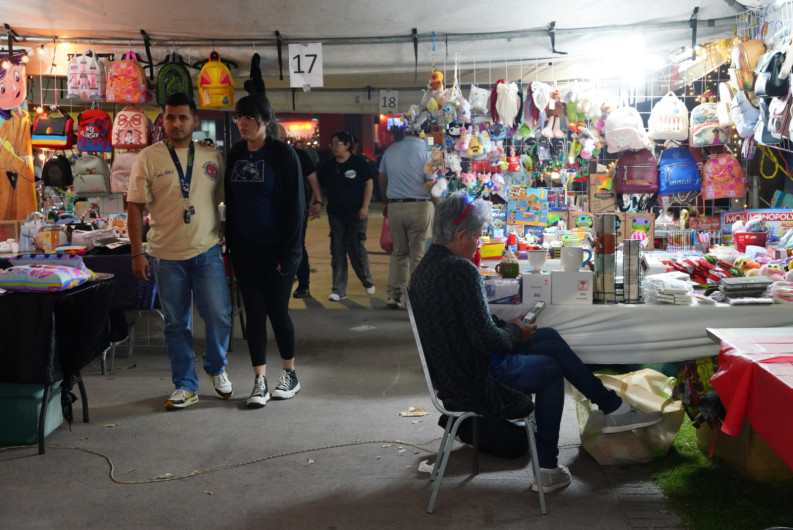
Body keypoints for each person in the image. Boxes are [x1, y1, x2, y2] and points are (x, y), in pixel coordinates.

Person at [408, 191, 663, 493]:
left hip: (456, 371)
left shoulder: (426, 268)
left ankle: (612, 409)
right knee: (550, 369)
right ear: (461, 234)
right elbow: (486, 340)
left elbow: (473, 326)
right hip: (476, 378)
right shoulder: (461, 271)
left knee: (549, 338)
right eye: (477, 237)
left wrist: (512, 327)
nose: (479, 242)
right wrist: (515, 333)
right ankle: (547, 468)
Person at [127, 92, 232, 410]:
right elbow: (134, 208)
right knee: (176, 323)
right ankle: (185, 385)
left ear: (195, 120)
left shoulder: (211, 157)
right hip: (165, 255)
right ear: (163, 120)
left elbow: (225, 202)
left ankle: (216, 367)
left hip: (208, 251)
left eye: (183, 117)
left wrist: (228, 234)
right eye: (170, 117)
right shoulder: (148, 157)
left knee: (219, 315)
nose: (176, 123)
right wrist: (136, 252)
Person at [225, 93, 305, 408]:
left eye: (249, 118)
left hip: (278, 249)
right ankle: (260, 380)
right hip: (245, 248)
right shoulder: (234, 153)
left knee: (277, 310)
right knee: (254, 313)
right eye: (239, 118)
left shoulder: (283, 155)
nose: (242, 124)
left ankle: (290, 373)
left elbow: (296, 207)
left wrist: (290, 254)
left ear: (265, 122)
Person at [378, 126, 433, 309]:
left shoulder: (391, 149)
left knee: (399, 252)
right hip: (419, 206)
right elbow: (430, 182)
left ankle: (393, 296)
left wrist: (387, 200)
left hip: (395, 206)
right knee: (417, 254)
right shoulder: (428, 151)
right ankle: (415, 297)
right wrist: (439, 205)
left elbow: (382, 178)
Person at [317, 130, 375, 301]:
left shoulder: (359, 163)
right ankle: (338, 289)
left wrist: (365, 206)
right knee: (337, 251)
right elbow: (318, 185)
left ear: (347, 145)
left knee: (356, 249)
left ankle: (367, 280)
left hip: (357, 214)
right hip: (335, 215)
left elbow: (369, 184)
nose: (334, 147)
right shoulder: (328, 166)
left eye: (338, 143)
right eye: (332, 144)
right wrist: (316, 202)